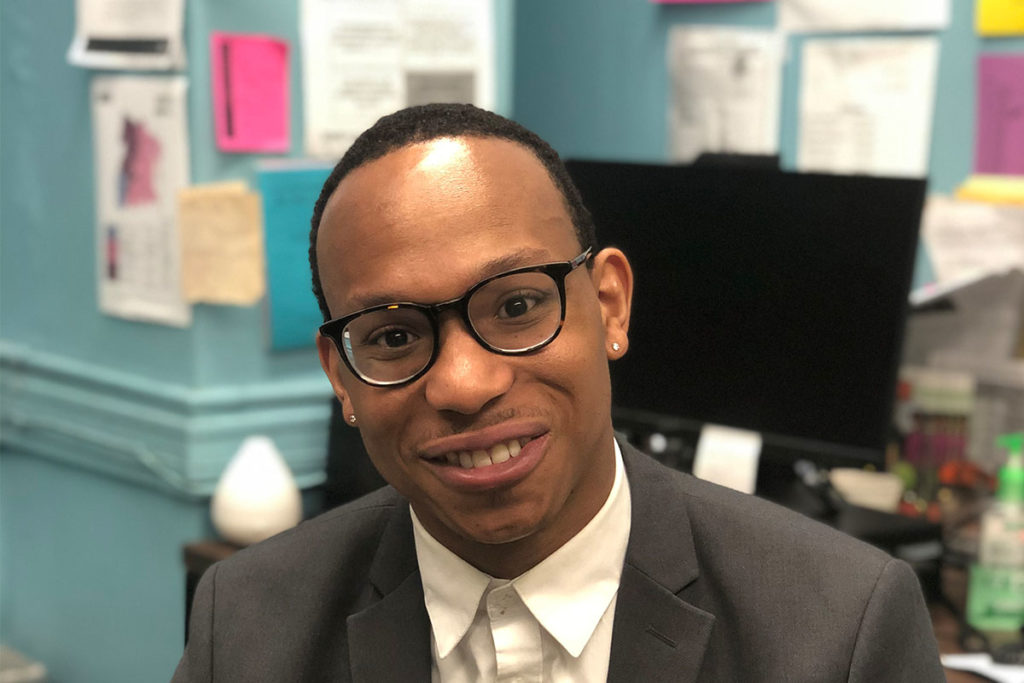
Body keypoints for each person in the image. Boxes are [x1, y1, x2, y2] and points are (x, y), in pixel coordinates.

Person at [172, 104, 944, 682]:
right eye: (394, 335)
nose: (465, 385)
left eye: (515, 306)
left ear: (609, 304)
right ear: (341, 375)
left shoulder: (841, 629)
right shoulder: (243, 625)